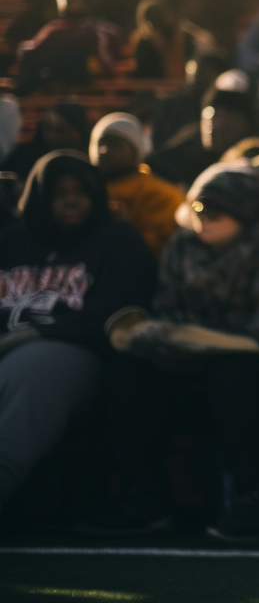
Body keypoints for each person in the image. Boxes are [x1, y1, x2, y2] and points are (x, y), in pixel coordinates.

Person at [81, 162, 259, 541]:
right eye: (197, 209)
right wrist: (153, 335)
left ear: (242, 213)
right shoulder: (182, 246)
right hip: (186, 363)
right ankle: (144, 497)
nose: (202, 219)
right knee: (130, 370)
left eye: (214, 211)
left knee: (233, 374)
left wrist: (196, 337)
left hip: (254, 372)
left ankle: (256, 497)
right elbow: (168, 308)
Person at [0, 151, 156, 510]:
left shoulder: (118, 239)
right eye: (59, 193)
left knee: (33, 371)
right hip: (9, 349)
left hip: (80, 355)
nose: (71, 200)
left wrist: (42, 332)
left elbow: (125, 307)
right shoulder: (11, 243)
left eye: (81, 192)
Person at [90, 113, 184, 258]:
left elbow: (161, 250)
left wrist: (126, 230)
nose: (104, 150)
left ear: (135, 152)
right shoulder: (83, 190)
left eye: (115, 145)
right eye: (101, 143)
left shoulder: (162, 194)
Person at [13, 0, 123, 94]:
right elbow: (32, 53)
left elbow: (106, 61)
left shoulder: (94, 29)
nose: (73, 3)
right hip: (56, 82)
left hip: (88, 84)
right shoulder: (54, 29)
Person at [147, 86, 258, 189]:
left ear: (244, 123)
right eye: (211, 115)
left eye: (226, 114)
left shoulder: (256, 155)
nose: (215, 124)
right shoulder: (187, 151)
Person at [129, 0, 215, 79]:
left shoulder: (187, 37)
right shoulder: (145, 43)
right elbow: (145, 73)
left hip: (185, 85)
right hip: (156, 87)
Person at [1, 101, 91, 183]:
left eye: (60, 130)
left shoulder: (89, 159)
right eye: (48, 128)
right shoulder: (22, 157)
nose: (53, 135)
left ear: (79, 133)